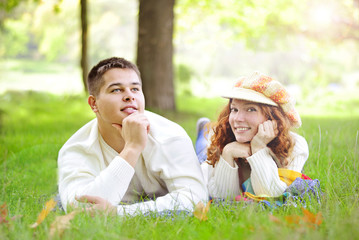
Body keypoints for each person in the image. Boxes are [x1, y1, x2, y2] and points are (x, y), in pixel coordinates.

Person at [57, 57, 207, 216]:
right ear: (94, 104)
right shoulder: (75, 150)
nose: (130, 96)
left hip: (201, 163)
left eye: (135, 89)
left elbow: (196, 200)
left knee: (204, 157)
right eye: (116, 90)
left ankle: (205, 133)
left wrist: (118, 213)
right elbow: (81, 210)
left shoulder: (170, 136)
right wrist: (132, 149)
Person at [198, 72, 309, 199]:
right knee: (202, 148)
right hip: (205, 157)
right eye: (234, 109)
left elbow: (273, 196)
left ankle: (203, 127)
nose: (238, 118)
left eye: (251, 109)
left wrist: (259, 148)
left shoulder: (295, 146)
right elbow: (221, 198)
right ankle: (203, 127)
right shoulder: (222, 136)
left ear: (272, 117)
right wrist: (228, 153)